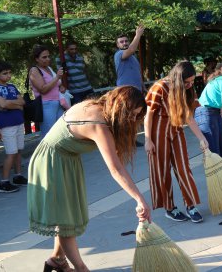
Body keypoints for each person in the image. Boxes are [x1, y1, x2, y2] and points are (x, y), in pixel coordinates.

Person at [27, 86, 151, 272]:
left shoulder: (99, 107)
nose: (133, 120)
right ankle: (81, 269)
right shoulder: (98, 123)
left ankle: (57, 260)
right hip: (51, 162)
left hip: (66, 160)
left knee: (68, 215)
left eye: (137, 116)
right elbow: (116, 168)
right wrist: (139, 199)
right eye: (132, 114)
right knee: (66, 220)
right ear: (121, 108)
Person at [145, 61, 208, 223]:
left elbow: (189, 117)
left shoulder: (188, 89)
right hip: (157, 131)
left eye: (192, 81)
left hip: (176, 130)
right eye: (187, 82)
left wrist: (202, 138)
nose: (190, 85)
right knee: (162, 170)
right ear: (179, 78)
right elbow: (149, 115)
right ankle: (170, 208)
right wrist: (147, 140)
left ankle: (191, 205)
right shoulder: (160, 87)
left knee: (183, 168)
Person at [0, 60, 27, 193]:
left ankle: (18, 176)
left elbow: (22, 101)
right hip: (7, 125)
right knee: (11, 153)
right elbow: (2, 105)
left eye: (9, 73)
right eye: (4, 73)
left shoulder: (12, 86)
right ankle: (4, 181)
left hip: (18, 122)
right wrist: (16, 105)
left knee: (19, 150)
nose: (8, 76)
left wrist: (10, 103)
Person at [28, 44, 64, 137]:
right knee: (49, 135)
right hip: (46, 105)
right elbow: (43, 89)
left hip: (57, 103)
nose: (48, 59)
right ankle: (46, 152)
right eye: (44, 57)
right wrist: (57, 77)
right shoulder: (34, 70)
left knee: (60, 132)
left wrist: (60, 87)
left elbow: (54, 84)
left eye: (48, 56)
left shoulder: (48, 68)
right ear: (36, 59)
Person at [114, 25, 145, 91]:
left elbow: (137, 73)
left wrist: (143, 87)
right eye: (121, 42)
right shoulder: (118, 54)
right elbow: (131, 50)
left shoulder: (133, 57)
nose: (124, 43)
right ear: (117, 45)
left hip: (137, 91)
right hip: (125, 91)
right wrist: (138, 35)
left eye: (126, 41)